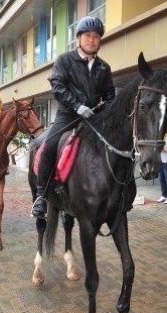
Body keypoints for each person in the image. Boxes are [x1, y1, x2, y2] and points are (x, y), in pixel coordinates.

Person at [31, 16, 115, 218]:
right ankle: (42, 196)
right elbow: (57, 86)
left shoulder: (104, 68)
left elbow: (110, 95)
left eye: (96, 36)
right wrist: (77, 106)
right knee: (49, 145)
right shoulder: (65, 60)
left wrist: (105, 113)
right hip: (68, 115)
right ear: (79, 37)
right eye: (88, 35)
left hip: (94, 119)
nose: (92, 39)